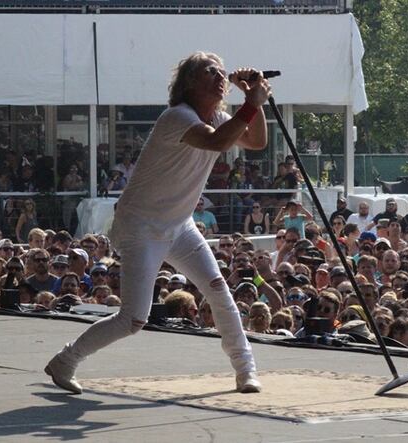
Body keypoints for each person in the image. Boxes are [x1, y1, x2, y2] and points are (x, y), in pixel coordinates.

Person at [44, 52, 271, 394]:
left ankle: (245, 370)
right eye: (211, 71)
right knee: (133, 319)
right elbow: (217, 141)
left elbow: (256, 141)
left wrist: (253, 102)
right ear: (190, 81)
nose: (220, 76)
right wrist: (250, 104)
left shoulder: (221, 116)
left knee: (218, 290)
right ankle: (66, 360)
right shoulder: (178, 117)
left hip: (179, 225)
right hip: (140, 228)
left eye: (223, 72)